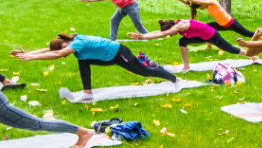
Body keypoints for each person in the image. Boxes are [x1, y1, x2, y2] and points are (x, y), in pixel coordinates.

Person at [12, 33, 182, 102]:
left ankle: (175, 79)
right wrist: (30, 53)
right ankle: (87, 93)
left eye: (65, 49)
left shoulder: (79, 42)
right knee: (82, 61)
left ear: (65, 44)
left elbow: (57, 54)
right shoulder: (69, 43)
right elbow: (52, 50)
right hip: (107, 57)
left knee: (145, 72)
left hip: (119, 53)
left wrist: (32, 57)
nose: (65, 52)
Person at [128, 19, 260, 72]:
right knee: (182, 41)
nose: (170, 34)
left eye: (170, 32)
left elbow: (163, 34)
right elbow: (161, 32)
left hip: (212, 35)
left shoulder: (180, 26)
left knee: (230, 49)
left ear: (173, 27)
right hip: (201, 36)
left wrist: (144, 37)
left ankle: (253, 56)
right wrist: (144, 35)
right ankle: (186, 66)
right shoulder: (176, 26)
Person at [79, 0, 148, 41]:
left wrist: (90, 0)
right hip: (122, 7)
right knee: (114, 20)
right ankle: (112, 38)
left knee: (137, 23)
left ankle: (148, 36)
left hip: (131, 6)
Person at [170, 0, 255, 37]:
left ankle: (261, 38)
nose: (201, 9)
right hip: (221, 24)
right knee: (207, 28)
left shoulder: (212, 2)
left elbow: (200, 2)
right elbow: (192, 4)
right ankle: (209, 46)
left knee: (247, 33)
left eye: (200, 8)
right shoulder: (206, 6)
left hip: (231, 23)